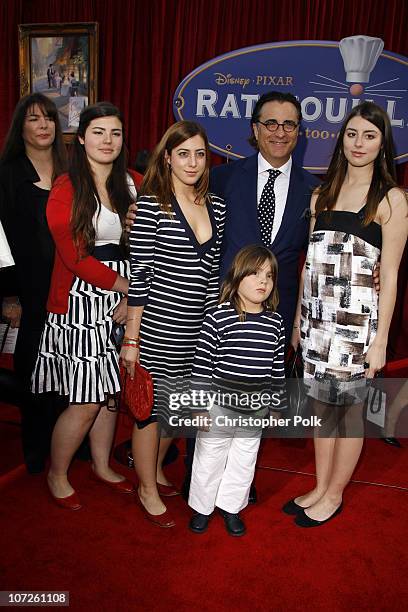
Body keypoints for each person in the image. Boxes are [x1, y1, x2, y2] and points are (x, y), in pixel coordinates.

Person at [285, 102, 408, 527]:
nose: (359, 143)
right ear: (342, 138)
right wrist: (300, 320)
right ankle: (320, 486)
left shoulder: (391, 198)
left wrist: (381, 341)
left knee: (348, 413)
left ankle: (334, 495)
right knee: (321, 408)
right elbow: (308, 263)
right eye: (352, 133)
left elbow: (389, 276)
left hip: (357, 327)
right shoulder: (321, 193)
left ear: (382, 143)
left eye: (369, 136)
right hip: (316, 322)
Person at [31, 101, 142, 510]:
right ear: (81, 138)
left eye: (115, 132)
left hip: (127, 296)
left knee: (111, 390)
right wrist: (125, 288)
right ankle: (57, 473)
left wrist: (134, 298)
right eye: (98, 132)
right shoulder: (66, 186)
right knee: (86, 397)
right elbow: (74, 256)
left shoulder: (134, 182)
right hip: (81, 300)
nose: (107, 140)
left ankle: (101, 464)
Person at [120, 120, 225, 527]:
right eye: (183, 154)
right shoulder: (150, 205)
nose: (193, 162)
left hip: (197, 329)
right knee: (150, 411)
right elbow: (141, 276)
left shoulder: (217, 206)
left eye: (200, 154)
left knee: (177, 411)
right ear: (167, 157)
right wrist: (132, 338)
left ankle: (156, 471)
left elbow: (213, 273)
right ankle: (144, 486)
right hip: (157, 326)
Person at [188, 245, 285, 536]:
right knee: (209, 458)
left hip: (255, 412)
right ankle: (202, 508)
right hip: (218, 410)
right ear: (236, 277)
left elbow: (276, 370)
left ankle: (231, 507)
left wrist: (277, 406)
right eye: (255, 274)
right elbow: (202, 366)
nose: (263, 281)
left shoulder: (275, 323)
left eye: (269, 276)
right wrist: (198, 407)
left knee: (244, 461)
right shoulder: (218, 317)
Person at [0, 93, 67, 473]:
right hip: (26, 290)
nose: (43, 125)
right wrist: (9, 295)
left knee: (66, 370)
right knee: (32, 369)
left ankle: (64, 446)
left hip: (70, 287)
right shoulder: (7, 173)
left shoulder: (70, 168)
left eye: (48, 119)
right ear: (20, 127)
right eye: (33, 119)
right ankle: (36, 451)